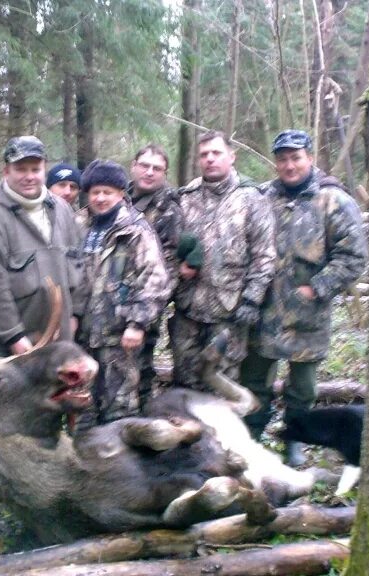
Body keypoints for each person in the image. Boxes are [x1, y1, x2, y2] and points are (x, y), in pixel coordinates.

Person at [240, 129, 367, 465]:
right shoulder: (261, 198)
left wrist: (318, 287)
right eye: (282, 159)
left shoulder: (333, 201)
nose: (289, 165)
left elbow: (354, 256)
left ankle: (294, 439)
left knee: (303, 387)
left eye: (296, 158)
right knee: (253, 380)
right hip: (264, 312)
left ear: (309, 158)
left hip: (309, 315)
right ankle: (250, 437)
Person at [171, 130, 276, 391]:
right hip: (188, 311)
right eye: (204, 154)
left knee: (222, 387)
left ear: (232, 156)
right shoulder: (186, 197)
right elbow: (169, 248)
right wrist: (178, 269)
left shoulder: (252, 198)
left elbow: (264, 256)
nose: (210, 159)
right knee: (185, 384)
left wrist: (251, 300)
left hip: (228, 312)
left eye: (216, 153)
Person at [75, 159, 169, 427]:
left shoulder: (136, 229)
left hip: (119, 336)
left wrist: (137, 323)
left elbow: (155, 280)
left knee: (119, 409)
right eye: (95, 192)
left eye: (108, 192)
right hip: (82, 336)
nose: (101, 198)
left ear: (120, 193)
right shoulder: (78, 225)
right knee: (82, 407)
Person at [0, 136, 86, 355]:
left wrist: (75, 314)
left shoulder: (62, 209)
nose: (29, 176)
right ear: (6, 172)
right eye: (20, 169)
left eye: (35, 169)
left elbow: (77, 264)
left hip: (61, 339)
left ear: (44, 171)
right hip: (16, 346)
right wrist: (13, 336)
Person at [126, 145, 182, 396]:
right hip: (108, 301)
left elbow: (169, 267)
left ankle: (142, 410)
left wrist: (147, 308)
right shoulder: (119, 197)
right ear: (133, 166)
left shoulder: (169, 209)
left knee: (139, 369)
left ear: (164, 173)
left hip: (144, 302)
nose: (149, 172)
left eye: (157, 168)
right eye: (144, 166)